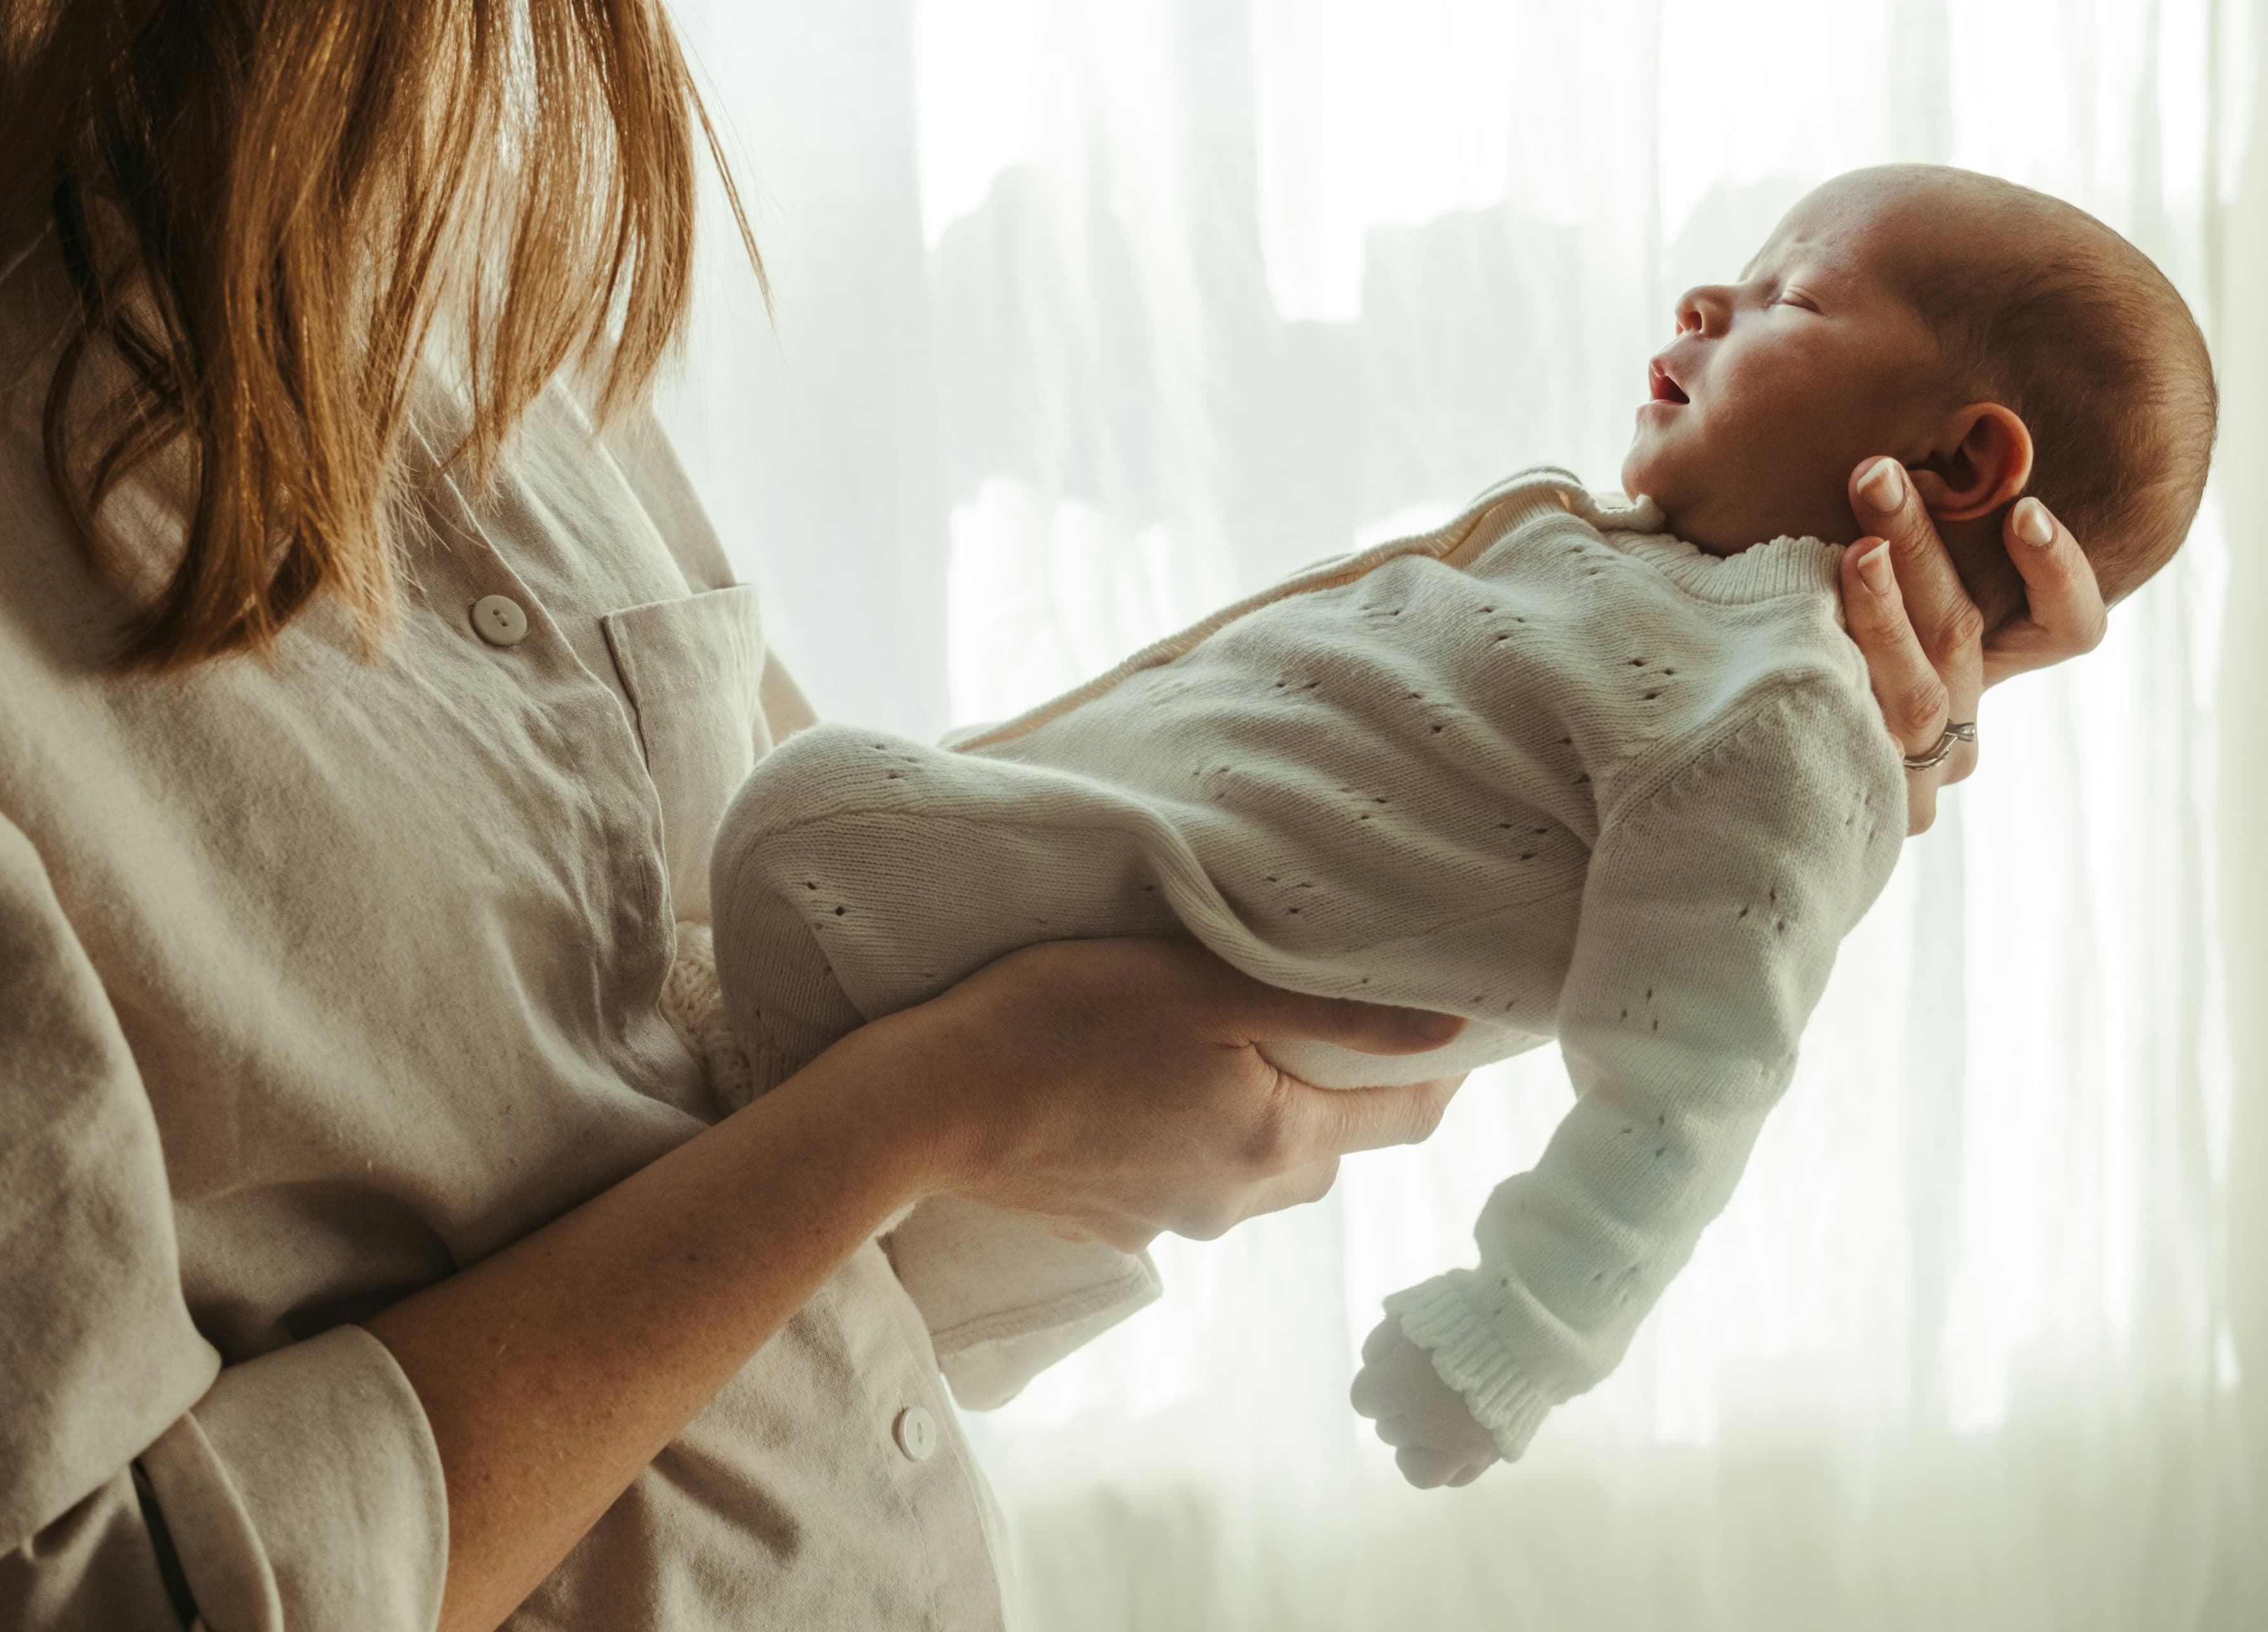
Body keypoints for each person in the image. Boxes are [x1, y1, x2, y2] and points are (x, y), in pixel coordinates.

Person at [0, 7, 2109, 1631]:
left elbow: (767, 1187)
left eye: (1795, 296)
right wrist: (946, 1097)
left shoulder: (401, 262)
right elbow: (62, 1602)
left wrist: (1695, 803)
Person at [697, 164, 2214, 1496]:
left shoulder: (1784, 705)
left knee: (806, 819)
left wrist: (1521, 1333)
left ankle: (760, 1164)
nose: (1704, 298)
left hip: (1162, 926)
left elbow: (1696, 1080)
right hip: (1091, 885)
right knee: (831, 866)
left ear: (1957, 468)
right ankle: (828, 1220)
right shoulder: (1661, 586)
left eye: (1789, 299)